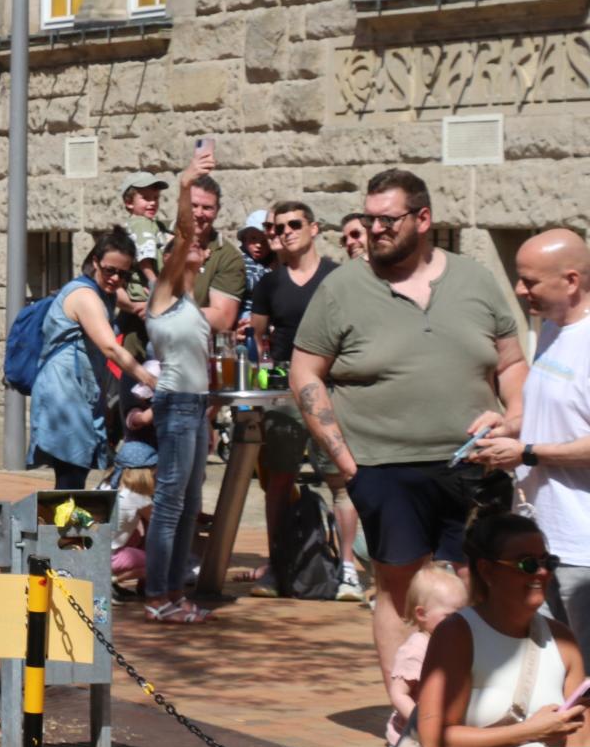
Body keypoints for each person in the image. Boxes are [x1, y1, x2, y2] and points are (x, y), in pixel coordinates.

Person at [293, 167, 527, 683]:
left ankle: (473, 699)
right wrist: (346, 461)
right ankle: (406, 709)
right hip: (383, 466)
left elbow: (511, 362)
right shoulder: (343, 288)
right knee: (398, 589)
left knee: (479, 582)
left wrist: (513, 422)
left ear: (423, 219)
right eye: (369, 219)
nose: (376, 229)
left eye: (388, 219)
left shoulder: (475, 279)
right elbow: (305, 373)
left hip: (474, 461)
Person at [472, 229, 590, 642]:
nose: (520, 290)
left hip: (583, 549)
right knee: (561, 667)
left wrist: (527, 453)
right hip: (542, 536)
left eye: (531, 281)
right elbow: (557, 414)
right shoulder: (553, 330)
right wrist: (507, 426)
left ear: (571, 280)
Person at [250, 200, 362, 603]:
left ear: (314, 228)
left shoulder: (339, 278)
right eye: (277, 228)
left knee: (341, 480)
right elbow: (260, 341)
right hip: (283, 392)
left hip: (330, 392)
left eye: (294, 224)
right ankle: (278, 566)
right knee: (278, 481)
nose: (285, 232)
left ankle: (348, 570)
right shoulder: (268, 284)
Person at [416, 514, 587, 747]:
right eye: (527, 564)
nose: (541, 572)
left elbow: (580, 742)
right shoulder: (458, 634)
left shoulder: (563, 640)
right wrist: (528, 732)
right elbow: (434, 743)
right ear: (487, 569)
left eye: (548, 562)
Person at [137, 152, 217, 624]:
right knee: (169, 503)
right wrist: (185, 185)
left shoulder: (189, 300)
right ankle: (157, 596)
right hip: (175, 405)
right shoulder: (164, 293)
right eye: (180, 244)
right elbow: (186, 231)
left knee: (187, 505)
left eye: (197, 245)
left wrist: (207, 416)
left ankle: (175, 592)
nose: (192, 244)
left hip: (195, 405)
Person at [29, 228, 157, 489]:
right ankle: (63, 529)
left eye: (123, 274)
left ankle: (66, 527)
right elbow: (110, 348)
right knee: (71, 477)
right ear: (95, 262)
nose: (114, 278)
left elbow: (124, 307)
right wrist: (149, 379)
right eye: (109, 270)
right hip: (63, 394)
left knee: (76, 475)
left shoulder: (104, 294)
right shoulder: (85, 296)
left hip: (80, 391)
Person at [386, 565, 469, 747]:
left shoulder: (454, 642)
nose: (459, 621)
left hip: (442, 732)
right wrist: (421, 722)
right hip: (410, 740)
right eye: (450, 616)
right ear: (421, 614)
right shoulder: (416, 650)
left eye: (463, 614)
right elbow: (399, 694)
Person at [186, 172, 247, 342]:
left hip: (191, 351)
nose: (199, 213)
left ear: (217, 211)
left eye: (207, 208)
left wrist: (166, 312)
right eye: (193, 205)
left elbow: (223, 319)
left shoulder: (227, 257)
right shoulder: (157, 238)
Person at [117, 172, 170, 344]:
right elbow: (144, 254)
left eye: (155, 197)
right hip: (144, 294)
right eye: (145, 198)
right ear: (129, 203)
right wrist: (154, 281)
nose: (152, 202)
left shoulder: (151, 224)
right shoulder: (141, 223)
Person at [110, 466, 155, 593]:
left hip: (93, 550)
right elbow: (159, 524)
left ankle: (111, 582)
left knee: (134, 535)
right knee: (156, 563)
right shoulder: (140, 499)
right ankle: (110, 580)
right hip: (110, 556)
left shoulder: (117, 492)